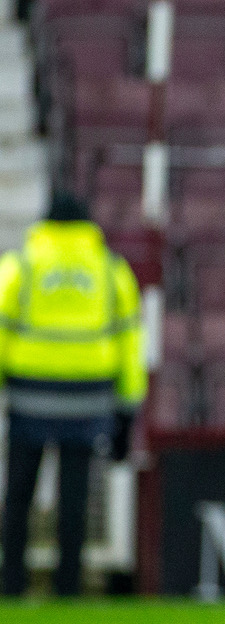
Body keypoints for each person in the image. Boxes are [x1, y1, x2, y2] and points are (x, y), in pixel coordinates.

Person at [0, 192, 145, 597]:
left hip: (28, 395)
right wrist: (127, 406)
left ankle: (11, 585)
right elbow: (130, 341)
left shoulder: (21, 265)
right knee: (75, 498)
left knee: (18, 496)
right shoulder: (109, 267)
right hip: (88, 398)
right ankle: (68, 587)